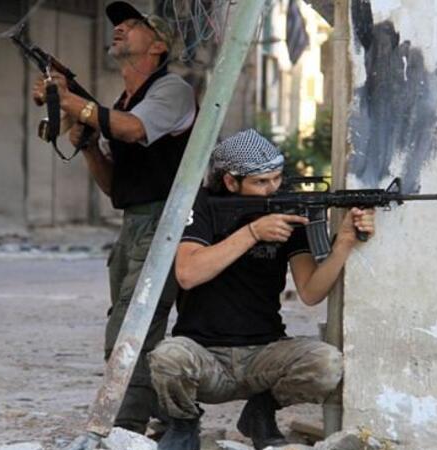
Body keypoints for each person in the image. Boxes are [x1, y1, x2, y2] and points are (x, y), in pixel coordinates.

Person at [148, 129, 376, 450]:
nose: (273, 188)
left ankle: (261, 412)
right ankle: (184, 424)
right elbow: (188, 274)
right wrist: (253, 232)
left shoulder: (287, 210)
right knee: (167, 358)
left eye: (277, 178)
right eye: (261, 182)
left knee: (326, 363)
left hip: (264, 356)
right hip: (204, 354)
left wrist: (344, 244)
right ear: (230, 182)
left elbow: (311, 292)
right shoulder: (201, 205)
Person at [32, 1, 197, 435]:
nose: (119, 29)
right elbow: (114, 187)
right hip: (136, 223)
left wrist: (70, 100)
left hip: (166, 222)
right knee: (131, 322)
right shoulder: (123, 102)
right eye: (117, 26)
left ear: (158, 46)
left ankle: (125, 426)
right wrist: (88, 145)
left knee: (130, 326)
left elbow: (133, 129)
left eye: (132, 25)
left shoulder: (171, 90)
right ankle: (169, 419)